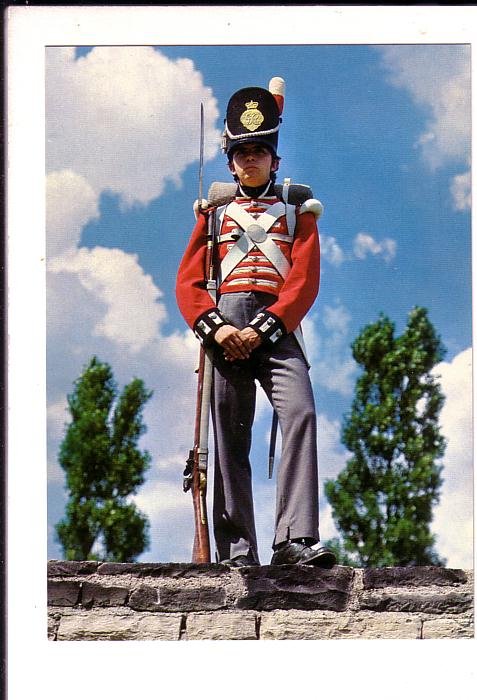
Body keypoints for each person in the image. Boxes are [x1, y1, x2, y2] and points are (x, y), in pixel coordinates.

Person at [176, 78, 335, 568]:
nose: (251, 159)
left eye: (260, 150)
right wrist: (218, 328)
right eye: (243, 152)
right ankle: (236, 548)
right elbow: (188, 283)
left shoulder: (296, 211)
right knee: (229, 432)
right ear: (231, 160)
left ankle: (294, 539)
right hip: (225, 328)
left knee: (301, 413)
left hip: (278, 326)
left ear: (275, 158)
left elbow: (304, 280)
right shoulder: (215, 213)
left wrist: (265, 327)